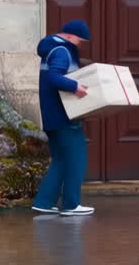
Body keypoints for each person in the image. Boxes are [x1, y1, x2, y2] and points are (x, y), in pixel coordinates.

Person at [31, 19, 95, 216]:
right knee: (77, 158)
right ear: (68, 35)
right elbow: (55, 77)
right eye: (79, 40)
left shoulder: (53, 49)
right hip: (64, 116)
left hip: (52, 116)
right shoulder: (62, 51)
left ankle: (43, 202)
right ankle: (71, 205)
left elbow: (58, 71)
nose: (80, 44)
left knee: (60, 159)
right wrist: (75, 87)